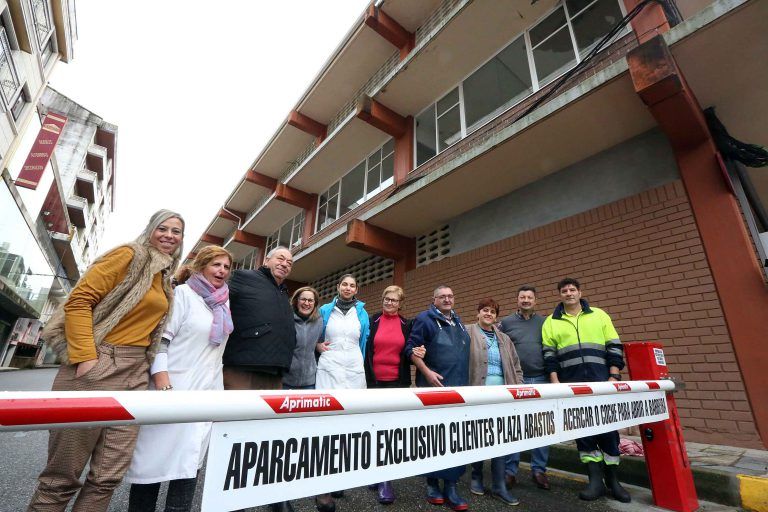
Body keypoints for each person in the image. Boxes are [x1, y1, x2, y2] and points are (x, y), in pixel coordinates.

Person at [27, 209, 184, 512]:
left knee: (107, 477)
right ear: (150, 229)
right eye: (162, 228)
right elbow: (79, 301)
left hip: (136, 373)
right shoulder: (129, 255)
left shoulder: (165, 277)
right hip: (99, 362)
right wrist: (87, 359)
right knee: (61, 478)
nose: (169, 235)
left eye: (176, 232)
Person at [126, 245, 233, 512]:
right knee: (152, 463)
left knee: (190, 462)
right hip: (173, 388)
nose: (221, 271)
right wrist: (163, 383)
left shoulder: (224, 301)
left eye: (226, 267)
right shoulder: (184, 294)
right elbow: (162, 340)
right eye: (216, 265)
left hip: (207, 392)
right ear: (201, 266)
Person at [542, 278, 631, 503]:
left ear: (580, 292)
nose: (569, 293)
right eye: (564, 291)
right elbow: (549, 355)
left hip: (603, 382)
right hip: (573, 386)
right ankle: (594, 481)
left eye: (572, 290)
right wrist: (555, 383)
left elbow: (614, 345)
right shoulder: (551, 321)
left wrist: (614, 375)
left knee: (609, 432)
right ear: (560, 295)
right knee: (584, 432)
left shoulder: (600, 315)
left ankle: (613, 480)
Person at [223, 246, 297, 512]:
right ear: (266, 260)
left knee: (269, 438)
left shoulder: (282, 292)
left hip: (274, 371)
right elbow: (214, 293)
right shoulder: (243, 278)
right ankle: (231, 499)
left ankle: (272, 495)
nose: (285, 264)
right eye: (280, 258)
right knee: (235, 435)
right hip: (243, 366)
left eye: (290, 261)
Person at [405, 285, 471, 512]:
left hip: (459, 389)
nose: (447, 299)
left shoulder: (459, 321)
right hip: (434, 389)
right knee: (434, 437)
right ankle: (433, 483)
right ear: (433, 300)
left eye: (450, 296)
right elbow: (411, 349)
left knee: (455, 437)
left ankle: (451, 485)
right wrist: (427, 373)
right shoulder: (425, 319)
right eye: (442, 296)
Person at [362, 285, 425, 505]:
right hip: (373, 382)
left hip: (397, 384)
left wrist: (418, 352)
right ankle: (374, 472)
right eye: (387, 299)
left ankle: (385, 480)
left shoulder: (407, 325)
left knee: (390, 431)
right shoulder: (372, 321)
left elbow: (410, 351)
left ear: (401, 303)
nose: (390, 303)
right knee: (372, 428)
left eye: (394, 300)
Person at [314, 274, 369, 511]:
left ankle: (338, 478)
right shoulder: (326, 309)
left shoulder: (362, 312)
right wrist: (317, 346)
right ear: (338, 287)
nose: (348, 288)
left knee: (349, 426)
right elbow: (315, 334)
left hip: (354, 370)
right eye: (344, 284)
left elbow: (363, 341)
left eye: (352, 285)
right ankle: (321, 486)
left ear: (356, 289)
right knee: (326, 424)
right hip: (329, 368)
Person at [467, 298, 523, 506]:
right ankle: (476, 476)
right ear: (478, 313)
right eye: (484, 310)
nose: (488, 314)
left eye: (492, 311)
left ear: (496, 316)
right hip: (478, 393)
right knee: (479, 435)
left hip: (503, 395)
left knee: (501, 437)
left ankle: (499, 485)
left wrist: (520, 388)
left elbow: (516, 366)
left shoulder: (504, 339)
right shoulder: (467, 332)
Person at [500, 285, 551, 490]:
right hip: (516, 381)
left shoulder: (545, 322)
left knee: (541, 427)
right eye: (522, 297)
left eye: (530, 297)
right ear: (517, 300)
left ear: (535, 301)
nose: (526, 300)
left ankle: (539, 470)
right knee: (515, 427)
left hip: (541, 379)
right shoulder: (506, 323)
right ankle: (510, 471)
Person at [282, 286, 323, 390]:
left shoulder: (319, 321)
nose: (306, 303)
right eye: (303, 299)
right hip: (286, 381)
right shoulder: (286, 319)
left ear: (315, 303)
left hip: (309, 382)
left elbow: (318, 342)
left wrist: (318, 345)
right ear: (296, 301)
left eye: (310, 300)